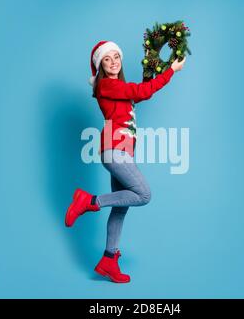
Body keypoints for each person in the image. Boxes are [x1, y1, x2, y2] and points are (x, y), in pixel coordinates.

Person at [65, 41, 186, 283]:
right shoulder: (106, 85)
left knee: (120, 208)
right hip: (114, 150)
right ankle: (89, 201)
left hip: (121, 151)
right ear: (100, 66)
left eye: (116, 57)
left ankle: (108, 261)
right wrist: (171, 70)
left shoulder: (118, 87)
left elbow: (138, 93)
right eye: (106, 59)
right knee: (143, 195)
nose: (113, 62)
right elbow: (142, 92)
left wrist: (156, 71)